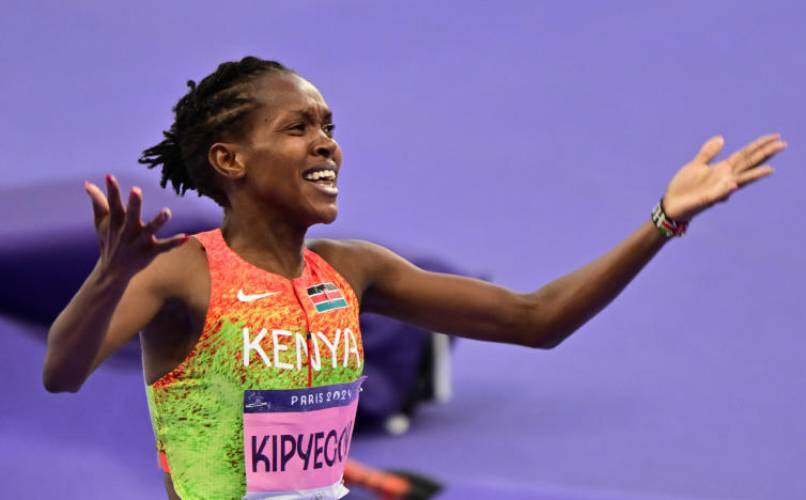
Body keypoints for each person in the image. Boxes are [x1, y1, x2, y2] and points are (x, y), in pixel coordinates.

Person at [42, 56, 786, 500]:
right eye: (297, 128)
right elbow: (62, 373)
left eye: (328, 126)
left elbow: (537, 320)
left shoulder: (354, 270)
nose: (326, 143)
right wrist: (108, 279)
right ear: (229, 159)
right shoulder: (185, 274)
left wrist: (664, 219)